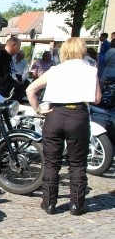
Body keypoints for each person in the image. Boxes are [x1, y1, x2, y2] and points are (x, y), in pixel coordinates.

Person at [26, 37, 101, 216]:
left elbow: (30, 89)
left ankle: (49, 203)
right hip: (78, 115)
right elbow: (97, 99)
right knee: (77, 163)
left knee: (52, 162)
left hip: (55, 115)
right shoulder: (91, 71)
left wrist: (38, 109)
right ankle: (76, 205)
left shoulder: (55, 70)